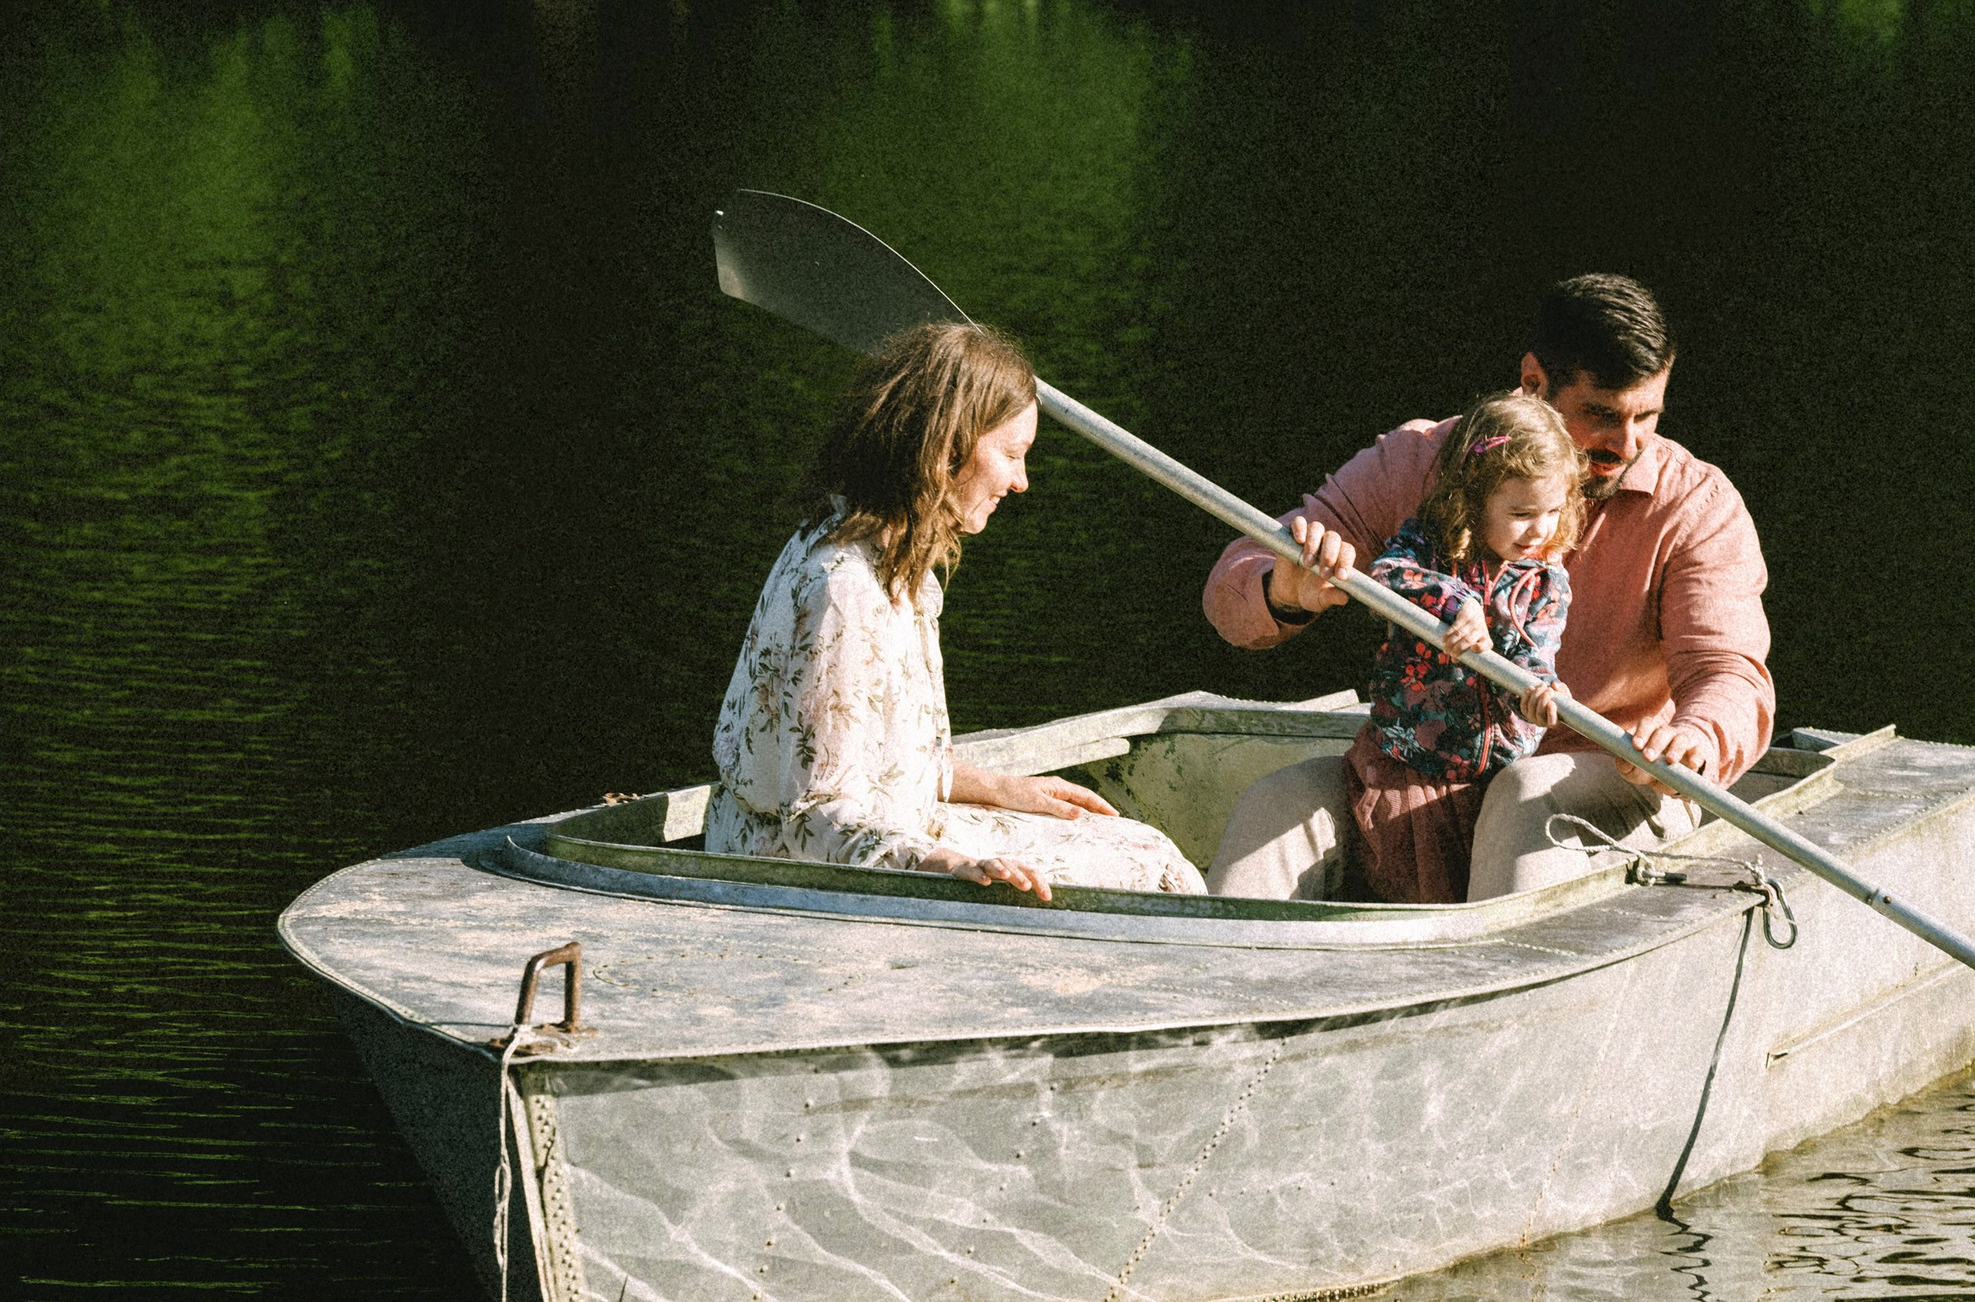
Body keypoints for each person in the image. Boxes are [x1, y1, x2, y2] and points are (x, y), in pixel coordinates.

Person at [1201, 273, 1772, 901]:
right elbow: (1238, 578)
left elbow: (1728, 672)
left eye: (1648, 417)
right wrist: (1284, 590)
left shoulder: (1697, 504)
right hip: (1424, 766)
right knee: (1276, 802)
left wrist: (1694, 738)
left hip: (1607, 778)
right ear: (1532, 382)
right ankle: (1208, 987)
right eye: (1601, 416)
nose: (1626, 445)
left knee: (1522, 796)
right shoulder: (1419, 460)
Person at [704, 322, 1205, 901]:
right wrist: (947, 863)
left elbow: (878, 766)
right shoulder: (844, 591)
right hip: (794, 874)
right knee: (1149, 874)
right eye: (1012, 454)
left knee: (1141, 845)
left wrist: (999, 787)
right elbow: (814, 815)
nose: (1021, 482)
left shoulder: (890, 557)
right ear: (945, 451)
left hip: (874, 839)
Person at [1345, 390, 1581, 903]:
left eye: (1553, 510)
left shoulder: (1546, 579)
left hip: (1492, 773)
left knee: (1479, 889)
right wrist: (1455, 603)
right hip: (1412, 761)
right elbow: (1384, 576)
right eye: (1522, 513)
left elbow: (1533, 652)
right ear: (1474, 498)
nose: (1541, 529)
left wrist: (1538, 692)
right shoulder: (1427, 543)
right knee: (1414, 895)